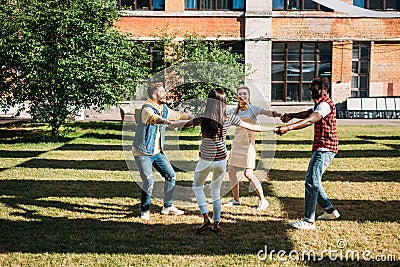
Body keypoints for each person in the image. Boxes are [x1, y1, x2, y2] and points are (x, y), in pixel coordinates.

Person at [174, 88, 275, 233]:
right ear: (223, 102)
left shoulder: (203, 116)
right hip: (221, 160)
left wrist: (168, 123)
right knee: (215, 191)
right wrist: (274, 129)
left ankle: (206, 219)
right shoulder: (229, 117)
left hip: (205, 160)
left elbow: (185, 124)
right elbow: (252, 127)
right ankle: (216, 224)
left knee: (197, 187)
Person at [275, 76, 340, 230]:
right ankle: (329, 210)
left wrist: (288, 128)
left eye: (313, 86)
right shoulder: (320, 104)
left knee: (311, 182)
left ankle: (308, 221)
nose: (310, 89)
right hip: (323, 147)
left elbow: (310, 119)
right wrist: (291, 116)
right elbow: (307, 113)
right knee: (313, 180)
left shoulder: (324, 105)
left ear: (323, 89)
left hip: (324, 148)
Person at [133, 82, 193, 221]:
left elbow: (177, 115)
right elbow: (154, 118)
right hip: (142, 152)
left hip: (157, 152)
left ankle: (167, 206)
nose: (166, 94)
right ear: (155, 95)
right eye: (163, 92)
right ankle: (145, 210)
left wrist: (192, 118)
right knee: (149, 181)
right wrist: (168, 123)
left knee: (171, 176)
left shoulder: (163, 108)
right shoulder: (146, 109)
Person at [225, 86, 281, 210]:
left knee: (248, 173)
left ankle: (263, 200)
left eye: (244, 94)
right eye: (240, 94)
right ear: (237, 96)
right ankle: (235, 200)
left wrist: (280, 115)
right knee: (231, 170)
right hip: (237, 144)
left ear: (249, 96)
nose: (242, 96)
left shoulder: (253, 109)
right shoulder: (233, 112)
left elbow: (267, 112)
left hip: (249, 145)